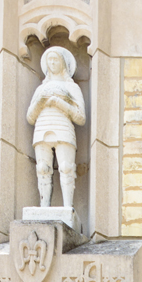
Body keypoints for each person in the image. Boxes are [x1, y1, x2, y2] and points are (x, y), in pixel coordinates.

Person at [26, 46, 84, 210]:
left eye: (55, 59)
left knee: (66, 167)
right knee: (43, 169)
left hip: (63, 128)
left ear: (63, 63)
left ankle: (68, 207)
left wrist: (60, 102)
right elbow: (30, 117)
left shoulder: (71, 87)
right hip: (42, 127)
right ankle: (44, 207)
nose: (52, 62)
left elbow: (81, 117)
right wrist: (41, 101)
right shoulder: (40, 89)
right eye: (49, 59)